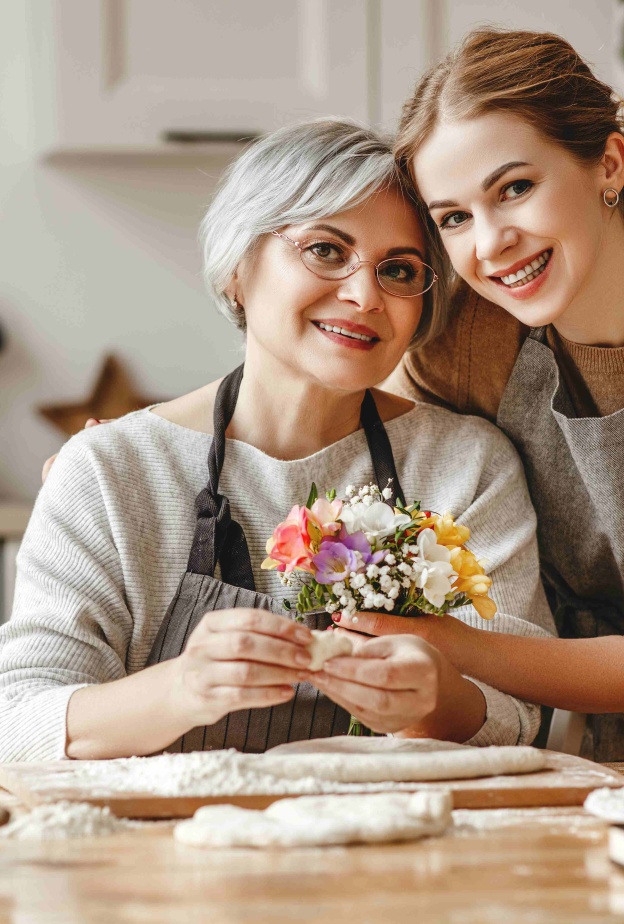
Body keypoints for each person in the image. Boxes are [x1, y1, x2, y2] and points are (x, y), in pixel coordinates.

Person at [0, 119, 554, 761]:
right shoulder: (107, 469)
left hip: (402, 826)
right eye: (325, 250)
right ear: (238, 268)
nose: (365, 295)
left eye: (400, 270)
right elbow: (17, 721)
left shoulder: (467, 465)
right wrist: (181, 690)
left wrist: (438, 703)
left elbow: (522, 711)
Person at [364, 28, 624, 761]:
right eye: (453, 217)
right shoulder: (475, 339)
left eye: (515, 189)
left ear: (609, 163)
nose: (489, 244)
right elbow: (333, 416)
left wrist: (450, 644)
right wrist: (153, 438)